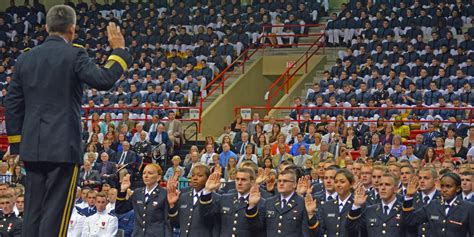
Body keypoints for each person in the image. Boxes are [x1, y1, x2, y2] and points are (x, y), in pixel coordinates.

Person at [4, 5, 131, 236]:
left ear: (46, 27)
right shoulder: (75, 54)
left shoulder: (25, 58)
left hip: (32, 147)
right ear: (72, 29)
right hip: (63, 148)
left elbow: (12, 104)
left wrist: (16, 143)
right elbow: (103, 79)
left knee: (33, 211)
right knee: (56, 212)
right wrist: (119, 51)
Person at [402, 172, 474, 237]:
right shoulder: (433, 205)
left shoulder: (468, 207)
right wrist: (409, 197)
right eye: (442, 186)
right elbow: (411, 221)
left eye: (448, 186)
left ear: (458, 189)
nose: (444, 190)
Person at [199, 167, 264, 236]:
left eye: (243, 180)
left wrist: (252, 207)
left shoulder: (261, 202)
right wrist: (207, 191)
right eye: (237, 179)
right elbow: (206, 215)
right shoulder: (225, 198)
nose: (239, 183)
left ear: (252, 182)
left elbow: (257, 229)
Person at [114, 164, 171, 236]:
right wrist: (122, 191)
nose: (146, 176)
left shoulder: (164, 194)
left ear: (158, 177)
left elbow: (168, 222)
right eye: (144, 173)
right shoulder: (137, 193)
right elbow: (120, 210)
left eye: (150, 173)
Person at [167, 164, 217, 236]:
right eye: (193, 175)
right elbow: (176, 224)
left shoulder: (215, 198)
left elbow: (211, 222)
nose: (195, 178)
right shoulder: (183, 197)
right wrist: (172, 205)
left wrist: (207, 194)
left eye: (200, 176)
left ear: (208, 178)